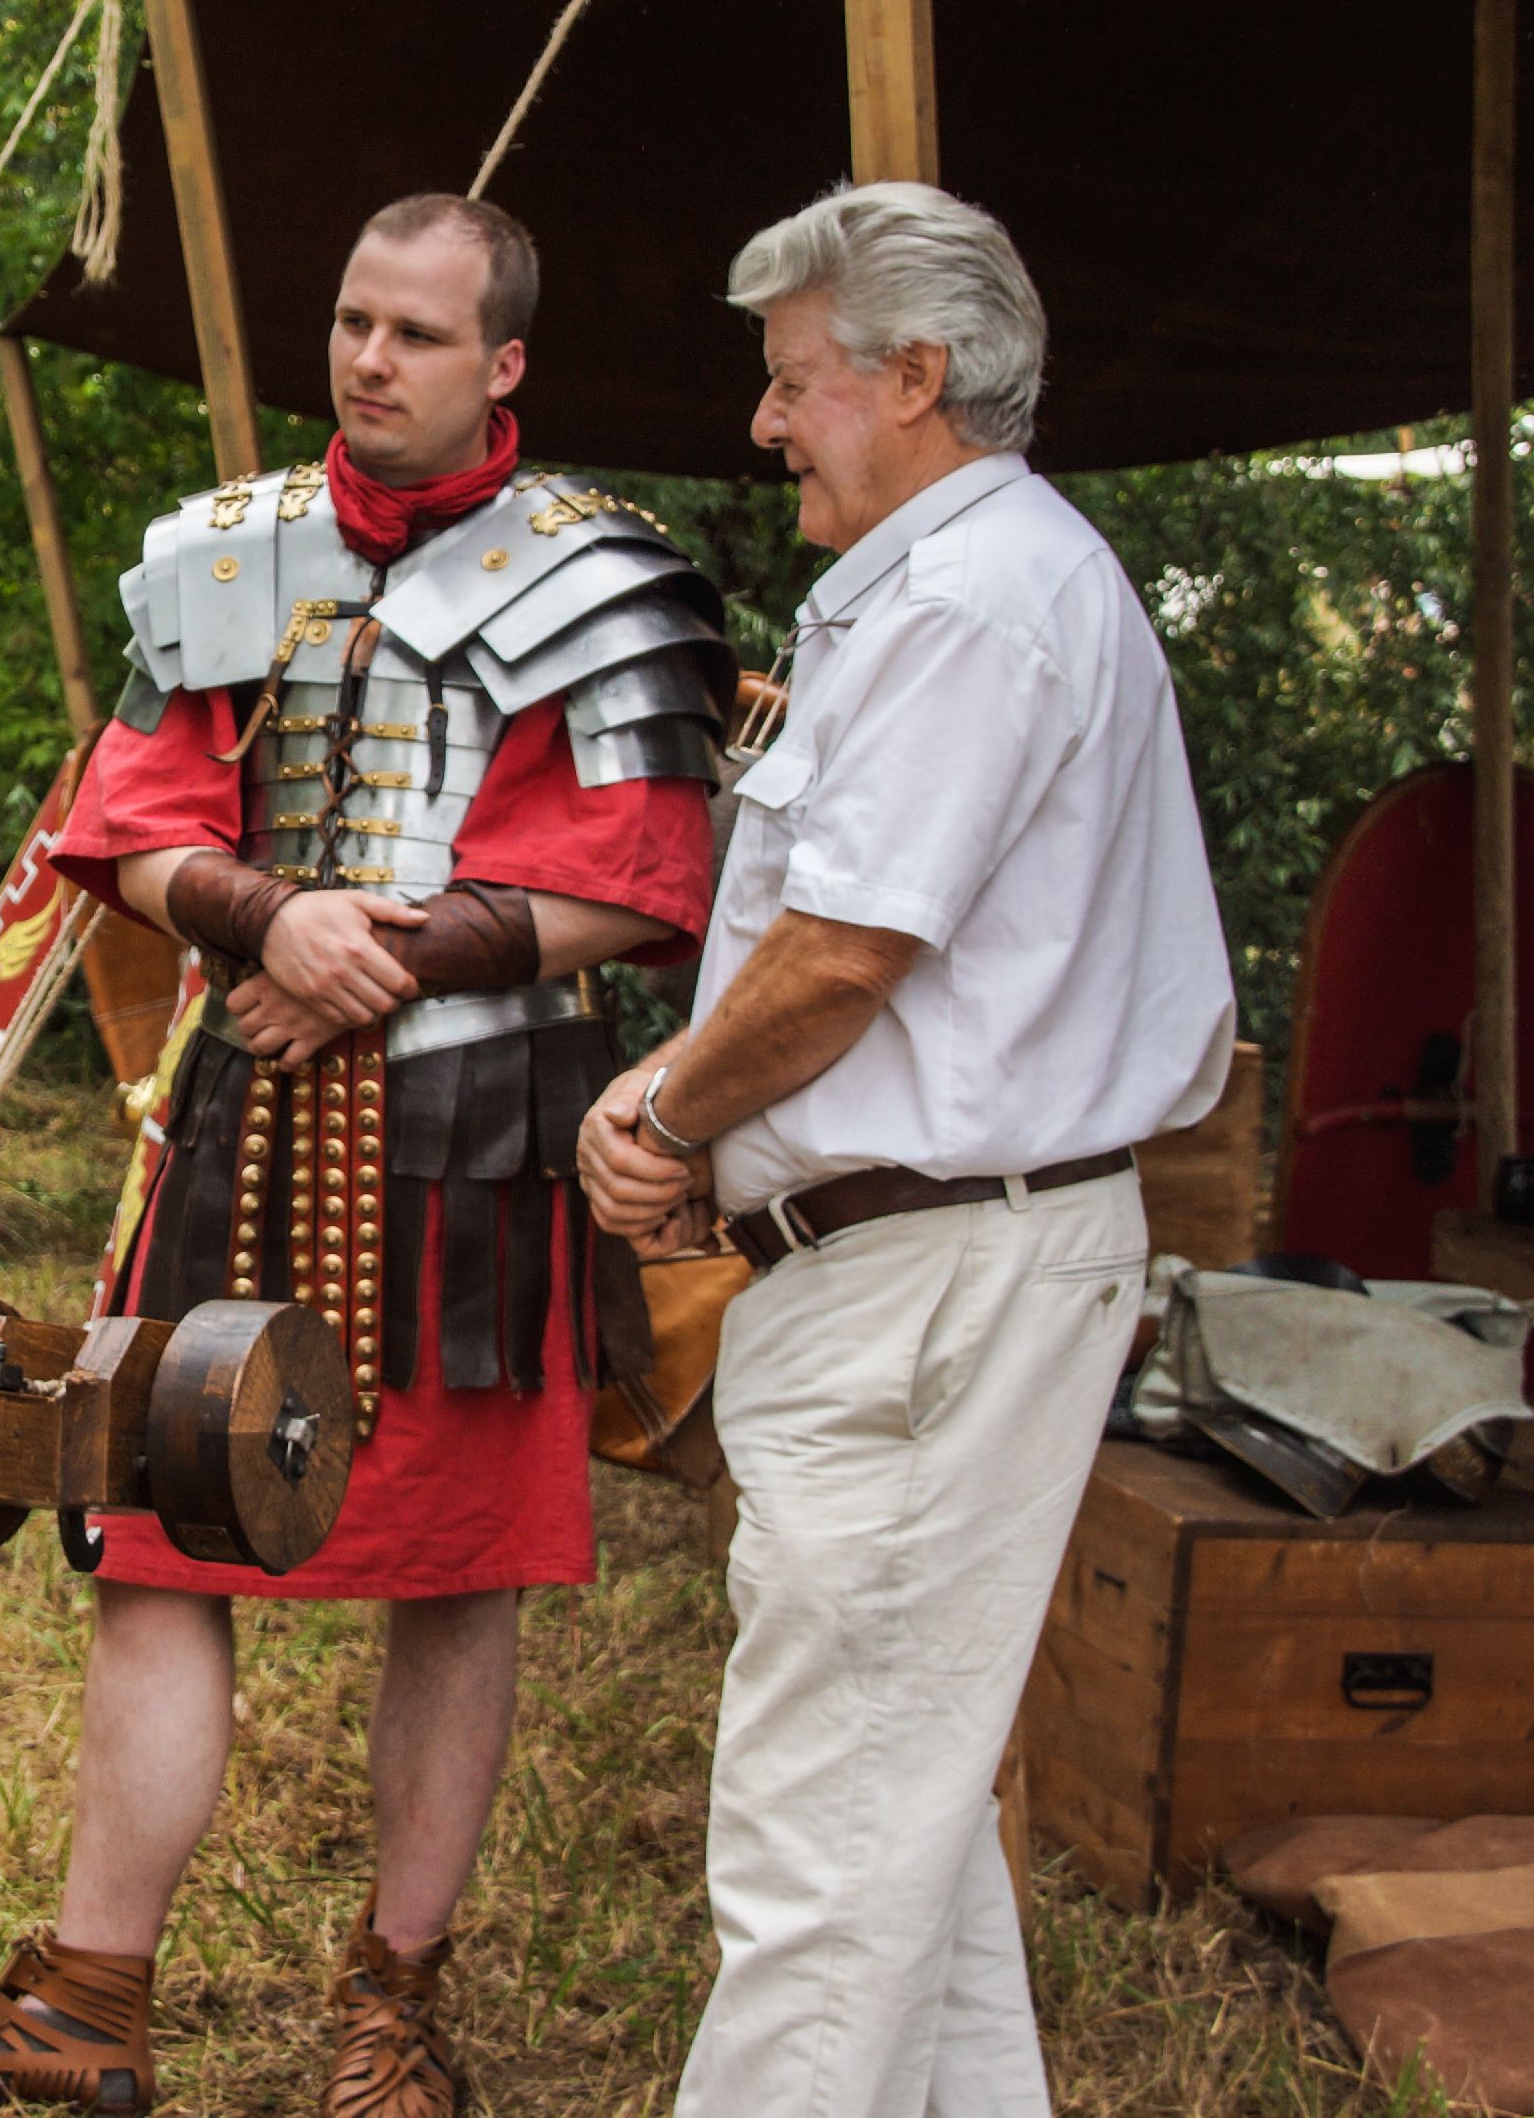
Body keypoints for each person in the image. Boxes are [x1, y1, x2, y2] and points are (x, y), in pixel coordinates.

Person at [0, 194, 730, 2118]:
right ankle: (85, 1999)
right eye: (347, 322)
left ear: (501, 363)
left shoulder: (601, 576)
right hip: (239, 1119)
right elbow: (125, 827)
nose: (364, 361)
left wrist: (371, 955)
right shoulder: (226, 555)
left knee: (457, 1572)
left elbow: (636, 879)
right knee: (162, 1536)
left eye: (413, 333)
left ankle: (388, 2007)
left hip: (479, 1136)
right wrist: (264, 915)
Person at [574, 181, 1233, 2118]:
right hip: (918, 1254)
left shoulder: (966, 596)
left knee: (820, 1836)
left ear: (914, 375)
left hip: (938, 1268)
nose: (765, 425)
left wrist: (665, 1104)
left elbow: (848, 950)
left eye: (792, 384)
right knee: (899, 1815)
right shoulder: (956, 579)